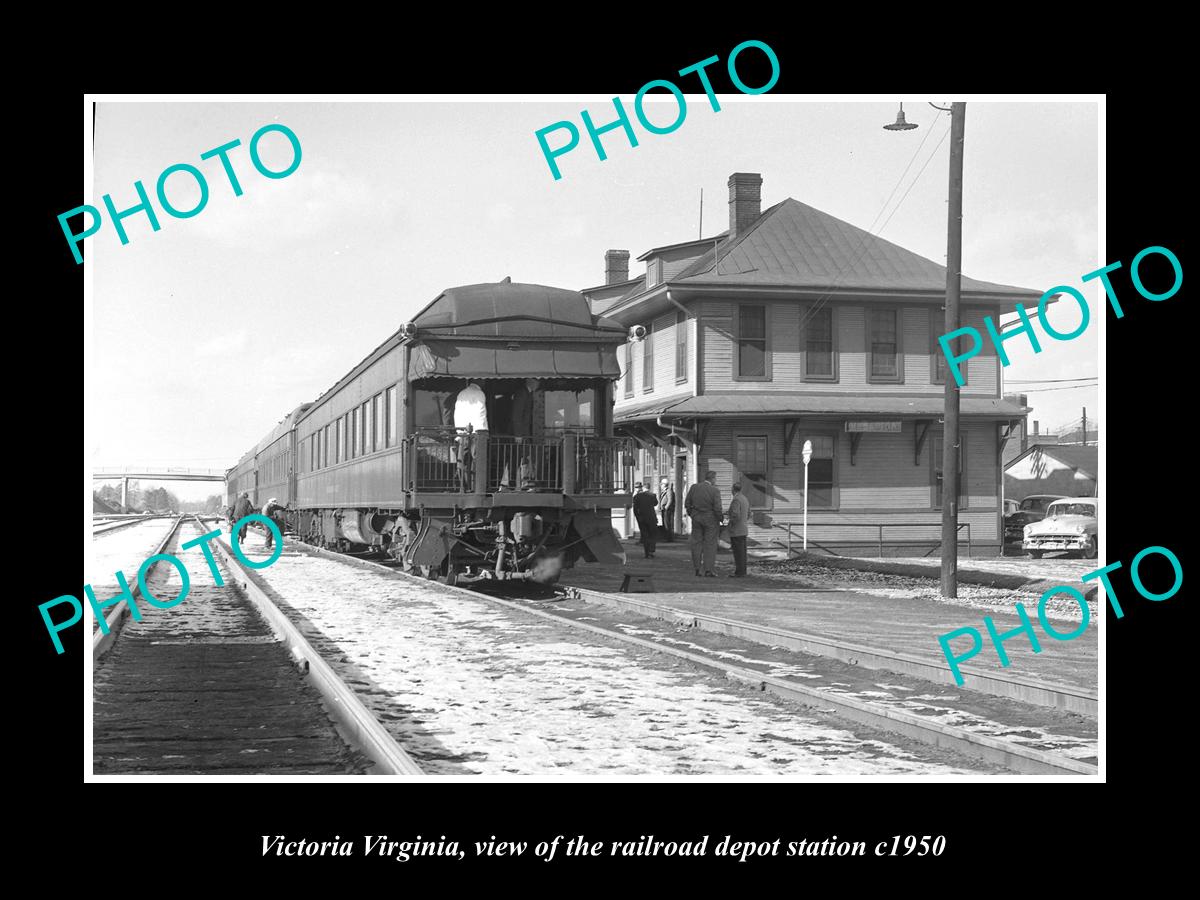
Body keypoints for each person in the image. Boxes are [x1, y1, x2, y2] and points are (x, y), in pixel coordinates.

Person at [685, 470, 723, 576]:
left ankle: (697, 568)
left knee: (696, 543)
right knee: (710, 544)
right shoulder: (715, 491)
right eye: (715, 479)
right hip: (710, 519)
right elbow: (717, 508)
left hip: (696, 517)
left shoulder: (694, 487)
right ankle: (708, 570)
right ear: (712, 479)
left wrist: (692, 514)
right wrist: (720, 518)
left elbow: (687, 503)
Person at [727, 483, 751, 577]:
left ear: (733, 489)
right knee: (742, 552)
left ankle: (739, 572)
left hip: (736, 530)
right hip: (744, 528)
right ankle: (742, 571)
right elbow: (749, 513)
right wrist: (744, 520)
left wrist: (731, 522)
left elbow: (735, 514)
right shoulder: (745, 498)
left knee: (738, 552)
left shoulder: (736, 500)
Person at [632, 482, 659, 559]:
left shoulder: (637, 496)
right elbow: (655, 504)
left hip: (642, 519)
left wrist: (638, 517)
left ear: (643, 488)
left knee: (645, 535)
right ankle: (651, 550)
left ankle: (646, 552)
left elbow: (635, 509)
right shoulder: (653, 495)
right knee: (653, 534)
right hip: (651, 518)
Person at [658, 476, 676, 542]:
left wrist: (666, 508)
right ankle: (667, 537)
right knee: (665, 523)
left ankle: (669, 538)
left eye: (661, 484)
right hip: (664, 509)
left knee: (667, 524)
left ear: (664, 485)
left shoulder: (668, 491)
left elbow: (670, 500)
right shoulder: (664, 491)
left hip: (667, 510)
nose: (661, 486)